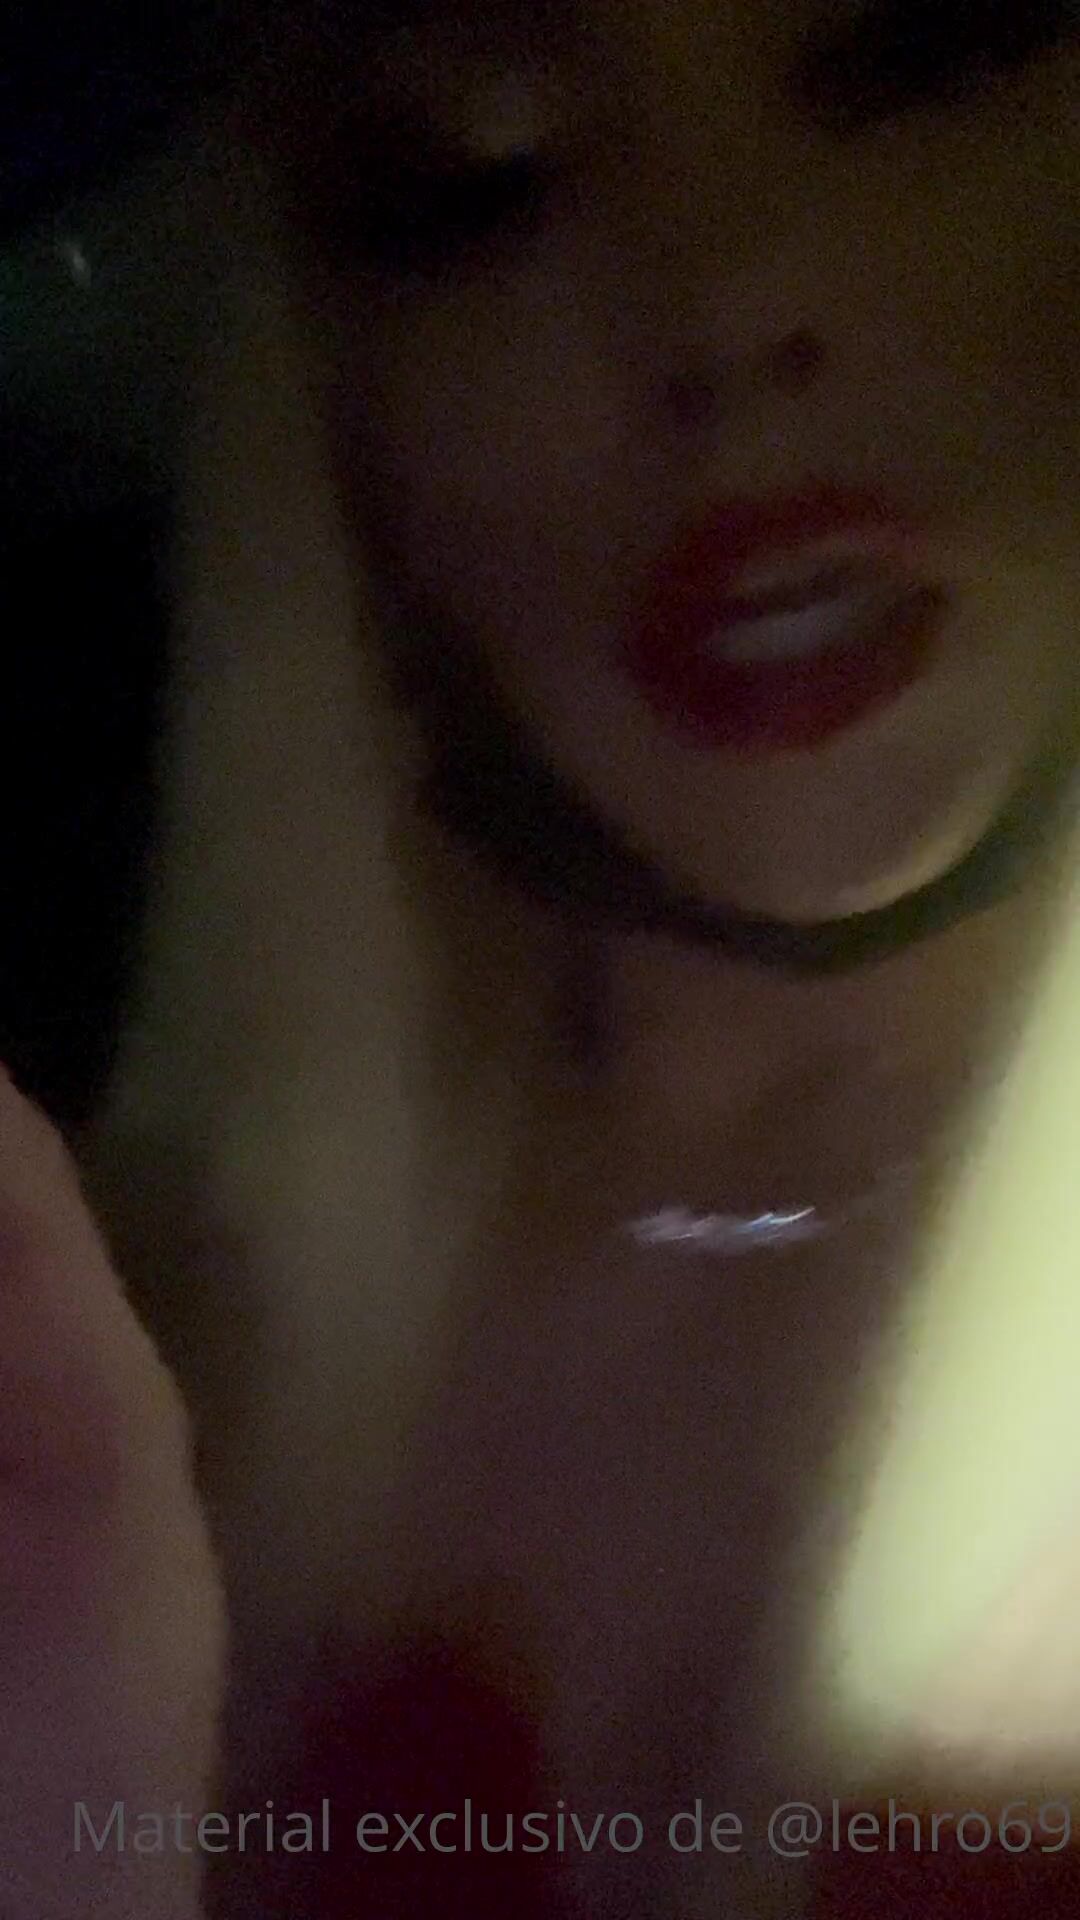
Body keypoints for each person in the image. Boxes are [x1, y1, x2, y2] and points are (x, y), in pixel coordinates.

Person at [3, 1, 1080, 1914]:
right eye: (475, 182)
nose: (722, 306)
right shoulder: (120, 1349)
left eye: (911, 57)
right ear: (328, 393)